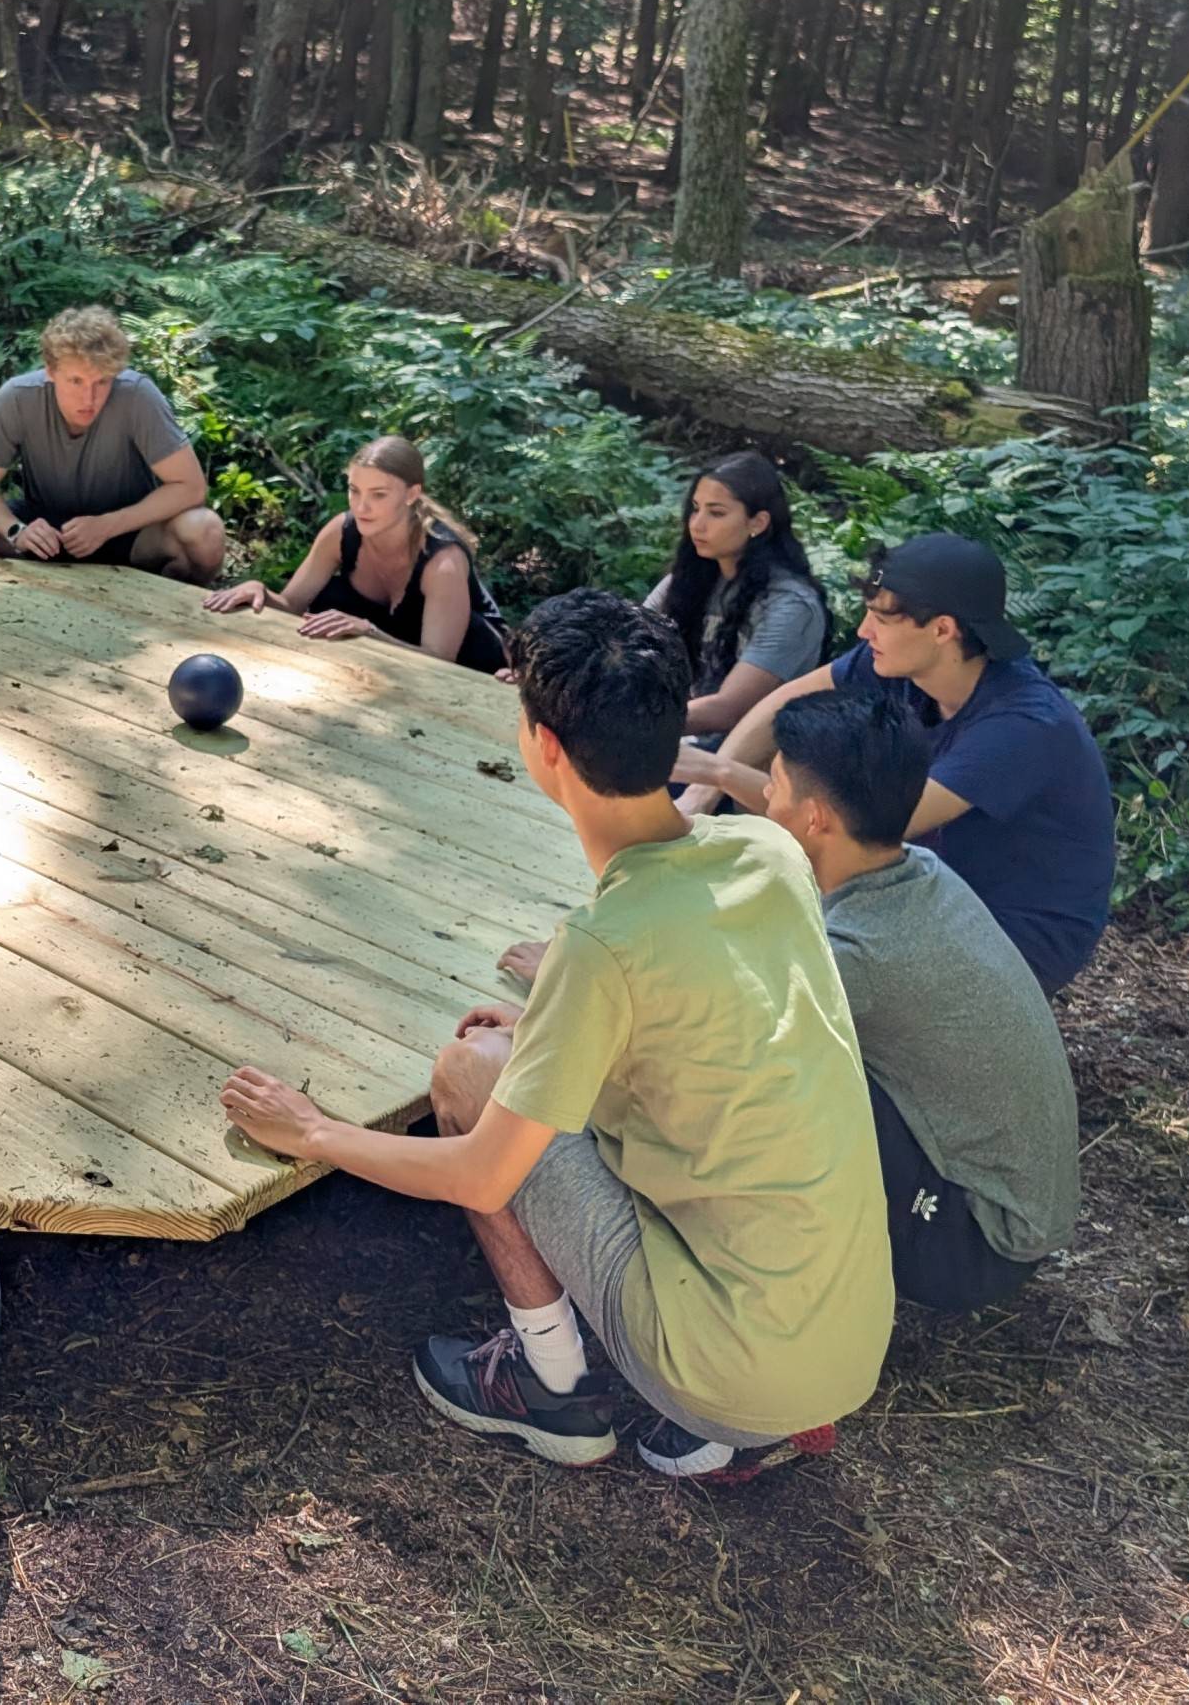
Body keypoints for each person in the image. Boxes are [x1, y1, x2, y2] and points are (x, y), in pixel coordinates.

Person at [223, 591, 893, 1480]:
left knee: (470, 1071)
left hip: (725, 1374)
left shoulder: (602, 947)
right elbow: (708, 1020)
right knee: (531, 1063)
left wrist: (312, 1132)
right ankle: (714, 1412)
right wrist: (556, 1016)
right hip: (845, 1348)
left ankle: (551, 1386)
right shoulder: (769, 857)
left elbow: (479, 1172)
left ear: (544, 747)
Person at [678, 532, 1116, 998]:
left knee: (750, 958)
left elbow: (862, 830)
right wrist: (703, 791)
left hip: (1013, 935)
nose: (864, 632)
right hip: (925, 890)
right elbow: (785, 706)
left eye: (882, 618)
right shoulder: (903, 661)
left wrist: (717, 773)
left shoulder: (1022, 726)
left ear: (943, 629)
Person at [764, 691, 1079, 1313]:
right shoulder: (923, 871)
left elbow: (710, 1033)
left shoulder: (860, 954)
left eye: (774, 787)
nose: (764, 801)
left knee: (764, 1077)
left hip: (973, 1246)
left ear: (815, 818)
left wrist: (581, 994)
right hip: (1019, 1216)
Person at [0, 304, 225, 584]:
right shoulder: (18, 398)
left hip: (128, 531)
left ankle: (169, 612)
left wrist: (108, 525)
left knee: (205, 532)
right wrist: (16, 531)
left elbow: (190, 487)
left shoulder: (137, 396)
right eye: (76, 382)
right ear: (51, 370)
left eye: (101, 382)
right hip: (43, 532)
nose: (89, 399)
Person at [202, 435, 510, 670]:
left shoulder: (443, 562)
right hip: (389, 659)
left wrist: (369, 632)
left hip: (473, 666)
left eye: (378, 495)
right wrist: (259, 591)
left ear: (411, 494)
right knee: (331, 601)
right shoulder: (341, 532)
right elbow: (292, 604)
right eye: (354, 490)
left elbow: (439, 661)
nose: (361, 507)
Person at [641, 452, 826, 746]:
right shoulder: (687, 580)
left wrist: (628, 724)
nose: (697, 525)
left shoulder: (790, 605)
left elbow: (729, 710)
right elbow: (628, 645)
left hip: (746, 766)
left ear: (758, 523)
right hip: (677, 740)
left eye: (716, 513)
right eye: (695, 509)